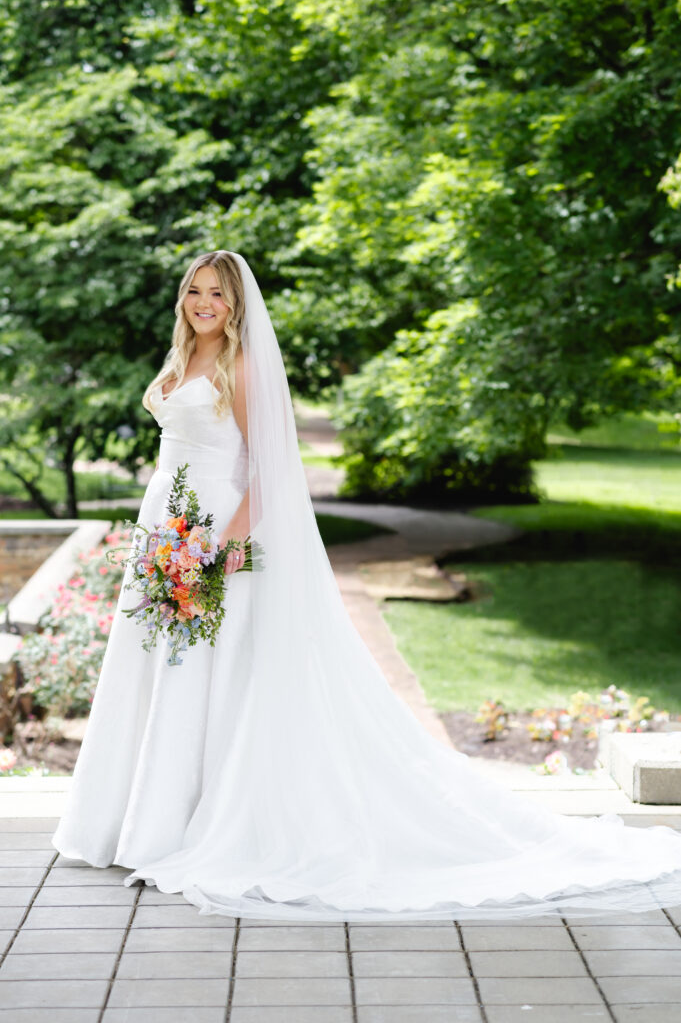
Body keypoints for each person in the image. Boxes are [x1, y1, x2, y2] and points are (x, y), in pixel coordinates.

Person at [51, 250, 681, 923]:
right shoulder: (180, 361)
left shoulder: (243, 365)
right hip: (168, 528)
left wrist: (218, 555)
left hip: (214, 536)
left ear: (236, 305)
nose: (203, 302)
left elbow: (265, 472)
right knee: (166, 669)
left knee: (215, 672)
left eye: (217, 293)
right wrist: (169, 542)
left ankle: (189, 825)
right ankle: (146, 819)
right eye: (194, 291)